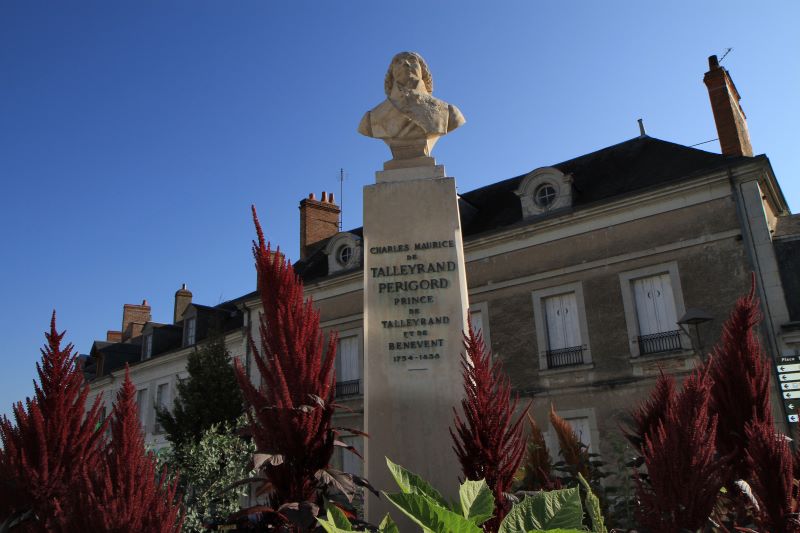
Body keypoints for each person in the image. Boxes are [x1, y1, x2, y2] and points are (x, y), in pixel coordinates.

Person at [358, 52, 465, 164]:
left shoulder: (449, 113)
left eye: (412, 60)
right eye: (398, 62)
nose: (405, 63)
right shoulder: (371, 118)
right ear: (391, 74)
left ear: (423, 72)